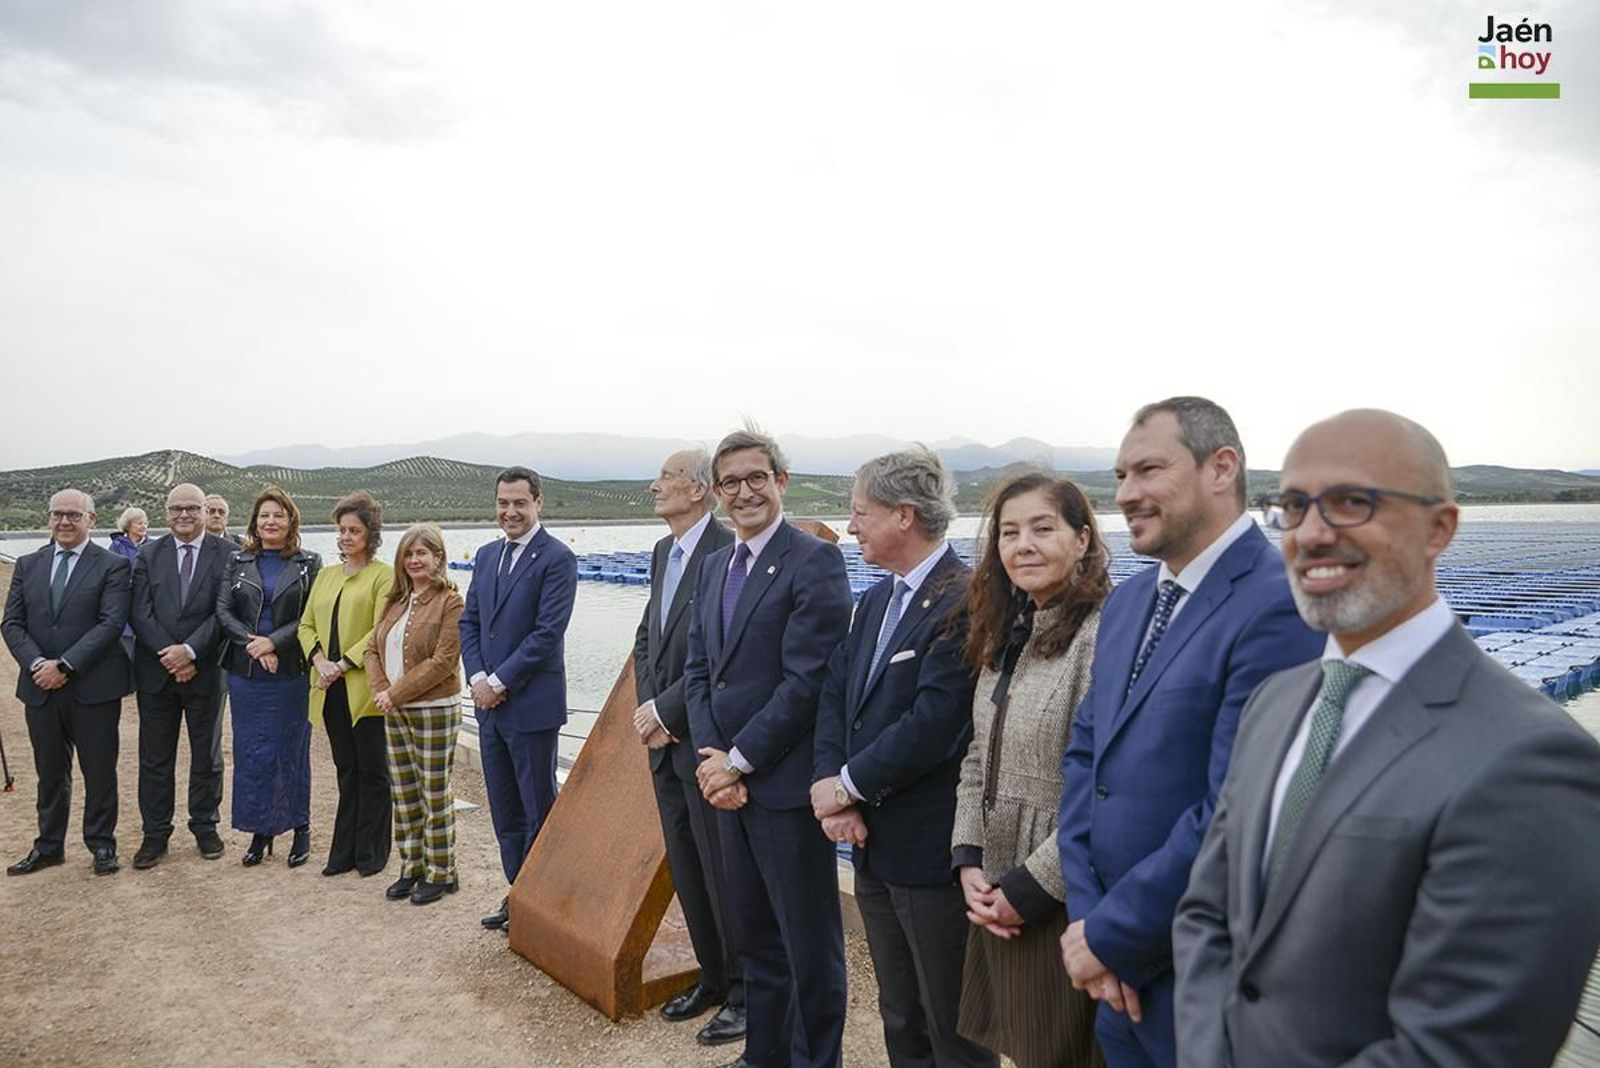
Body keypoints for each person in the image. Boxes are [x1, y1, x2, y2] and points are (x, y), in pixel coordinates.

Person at [1173, 410, 1600, 1068]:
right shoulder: (1276, 705)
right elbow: (1206, 913)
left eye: (1351, 503)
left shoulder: (1530, 757)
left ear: (1440, 528)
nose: (1311, 533)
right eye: (1292, 505)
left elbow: (1468, 1045)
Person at [1056, 397, 1323, 1068]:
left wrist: (1115, 935)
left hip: (1209, 979)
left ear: (1221, 467)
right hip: (1115, 971)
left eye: (1148, 469)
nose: (1126, 494)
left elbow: (1241, 805)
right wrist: (1091, 925)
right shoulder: (1129, 603)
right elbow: (1087, 762)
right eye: (1120, 476)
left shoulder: (1280, 601)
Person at [812, 448, 997, 1068]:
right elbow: (835, 698)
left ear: (903, 515)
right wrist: (834, 793)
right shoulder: (873, 603)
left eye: (860, 512)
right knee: (900, 1013)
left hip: (931, 849)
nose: (852, 524)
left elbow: (936, 722)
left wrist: (846, 786)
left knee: (954, 1023)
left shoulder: (966, 598)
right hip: (870, 843)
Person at [683, 425, 854, 1068]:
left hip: (781, 787)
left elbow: (807, 681)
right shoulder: (713, 566)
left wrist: (740, 760)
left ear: (780, 481)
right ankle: (766, 1055)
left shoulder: (814, 561)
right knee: (755, 938)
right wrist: (711, 761)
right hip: (727, 786)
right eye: (732, 482)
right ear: (718, 493)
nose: (745, 491)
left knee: (808, 944)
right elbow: (699, 672)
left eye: (758, 477)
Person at [941, 472, 1108, 1068]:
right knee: (1023, 1049)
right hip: (997, 881)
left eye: (1043, 528)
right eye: (1009, 533)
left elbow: (1108, 789)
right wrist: (969, 860)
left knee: (1066, 1051)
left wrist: (1033, 887)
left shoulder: (1102, 635)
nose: (1023, 545)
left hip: (1063, 893)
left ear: (1083, 539)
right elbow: (978, 756)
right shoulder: (1008, 634)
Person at [631, 448, 744, 1045]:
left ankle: (747, 990)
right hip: (662, 738)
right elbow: (649, 635)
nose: (656, 486)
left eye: (667, 478)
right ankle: (713, 976)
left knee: (724, 869)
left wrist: (669, 712)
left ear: (699, 490)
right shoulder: (661, 553)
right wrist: (648, 706)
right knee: (689, 868)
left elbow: (719, 652)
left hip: (704, 740)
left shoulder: (726, 551)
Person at [459, 466, 578, 930]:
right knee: (504, 810)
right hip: (488, 707)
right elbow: (470, 623)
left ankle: (545, 902)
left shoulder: (556, 558)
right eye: (503, 503)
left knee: (537, 808)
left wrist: (499, 682)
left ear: (538, 503)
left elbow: (547, 634)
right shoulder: (487, 555)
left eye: (519, 503)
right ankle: (518, 895)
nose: (510, 511)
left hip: (530, 708)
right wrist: (477, 678)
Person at [3, 489, 133, 876]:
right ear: (49, 518)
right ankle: (48, 846)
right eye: (57, 514)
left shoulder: (113, 566)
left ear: (91, 520)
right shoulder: (28, 564)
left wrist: (67, 665)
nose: (64, 521)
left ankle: (101, 844)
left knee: (99, 770)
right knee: (50, 772)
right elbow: (12, 623)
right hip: (39, 688)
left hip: (93, 686)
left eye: (73, 515)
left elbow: (111, 623)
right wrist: (39, 664)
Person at [127, 483, 232, 868]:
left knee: (207, 755)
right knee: (155, 758)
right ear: (165, 512)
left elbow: (224, 611)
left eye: (192, 508)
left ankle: (205, 826)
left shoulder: (229, 554)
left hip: (206, 671)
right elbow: (139, 611)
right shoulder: (148, 553)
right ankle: (155, 834)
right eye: (176, 508)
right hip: (156, 672)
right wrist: (170, 655)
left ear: (206, 511)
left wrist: (189, 652)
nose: (184, 515)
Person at [216, 487, 320, 866]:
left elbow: (310, 616)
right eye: (264, 516)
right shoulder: (237, 560)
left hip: (291, 672)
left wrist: (273, 643)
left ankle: (300, 826)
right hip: (246, 673)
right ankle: (260, 830)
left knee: (291, 751)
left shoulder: (310, 563)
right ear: (255, 523)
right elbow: (224, 612)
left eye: (278, 515)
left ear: (291, 520)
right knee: (252, 751)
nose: (270, 522)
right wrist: (254, 645)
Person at [365, 523, 466, 906]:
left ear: (438, 557)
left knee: (434, 791)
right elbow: (371, 650)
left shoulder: (451, 602)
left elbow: (443, 661)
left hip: (434, 710)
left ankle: (442, 872)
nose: (414, 560)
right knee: (404, 791)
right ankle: (412, 866)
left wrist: (396, 693)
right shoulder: (394, 602)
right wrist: (381, 692)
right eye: (408, 554)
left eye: (422, 553)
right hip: (394, 707)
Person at [299, 491, 394, 877]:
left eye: (354, 530)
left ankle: (372, 852)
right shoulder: (324, 576)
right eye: (342, 530)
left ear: (370, 534)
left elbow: (381, 628)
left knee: (373, 770)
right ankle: (344, 850)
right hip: (327, 686)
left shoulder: (384, 575)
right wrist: (320, 661)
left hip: (364, 688)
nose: (346, 537)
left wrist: (342, 663)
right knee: (345, 770)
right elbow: (306, 625)